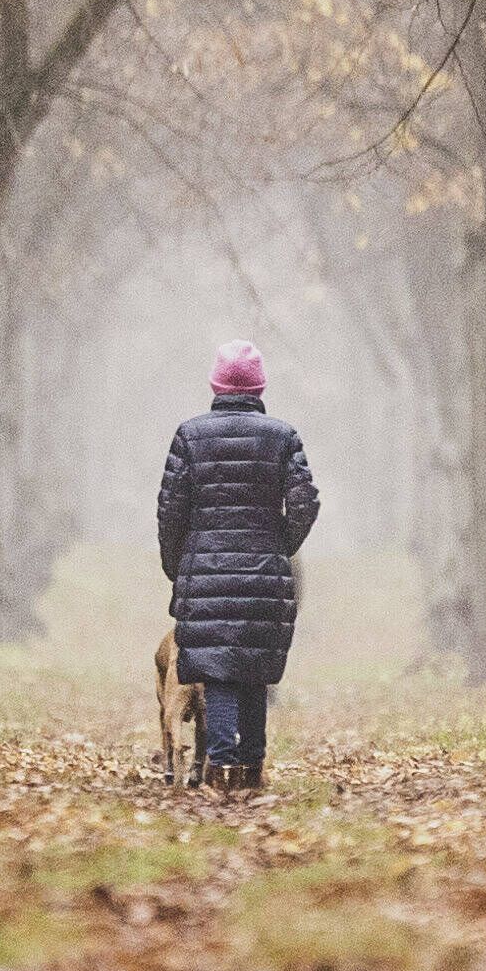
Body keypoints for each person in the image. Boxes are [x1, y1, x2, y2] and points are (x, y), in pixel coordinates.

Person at [155, 339, 319, 791]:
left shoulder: (189, 435)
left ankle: (221, 768)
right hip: (265, 569)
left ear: (216, 385)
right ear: (260, 387)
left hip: (205, 567)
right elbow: (306, 502)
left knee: (218, 669)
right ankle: (252, 768)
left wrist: (178, 563)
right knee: (255, 671)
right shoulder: (283, 437)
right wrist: (279, 544)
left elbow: (171, 508)